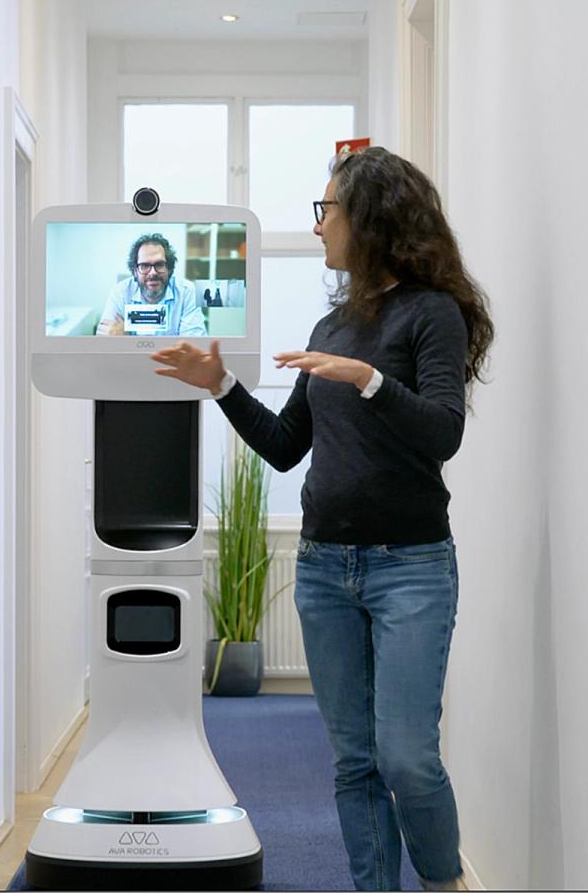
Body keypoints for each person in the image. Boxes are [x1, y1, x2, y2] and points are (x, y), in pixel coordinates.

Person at [151, 146, 494, 892]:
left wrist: (370, 381)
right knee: (355, 760)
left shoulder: (431, 314)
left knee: (408, 757)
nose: (318, 228)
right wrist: (222, 386)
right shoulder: (332, 325)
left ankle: (442, 882)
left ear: (368, 217)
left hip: (410, 568)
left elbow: (444, 432)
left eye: (326, 210)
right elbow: (283, 448)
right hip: (323, 570)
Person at [96, 233, 207, 336]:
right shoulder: (120, 293)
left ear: (169, 268)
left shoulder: (187, 292)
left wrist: (126, 339)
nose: (153, 272)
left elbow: (194, 345)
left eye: (159, 264)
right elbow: (105, 341)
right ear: (135, 271)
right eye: (144, 265)